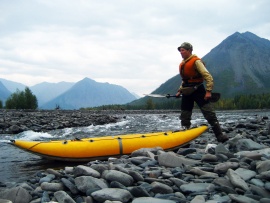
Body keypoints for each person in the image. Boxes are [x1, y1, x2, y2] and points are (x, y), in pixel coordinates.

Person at [175, 42, 228, 143]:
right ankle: (184, 138)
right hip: (186, 91)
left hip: (198, 90)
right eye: (180, 50)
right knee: (185, 115)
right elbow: (185, 80)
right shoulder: (183, 63)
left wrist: (208, 91)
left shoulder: (196, 62)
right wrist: (179, 91)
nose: (181, 52)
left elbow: (208, 77)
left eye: (183, 50)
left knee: (209, 113)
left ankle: (220, 135)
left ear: (189, 51)